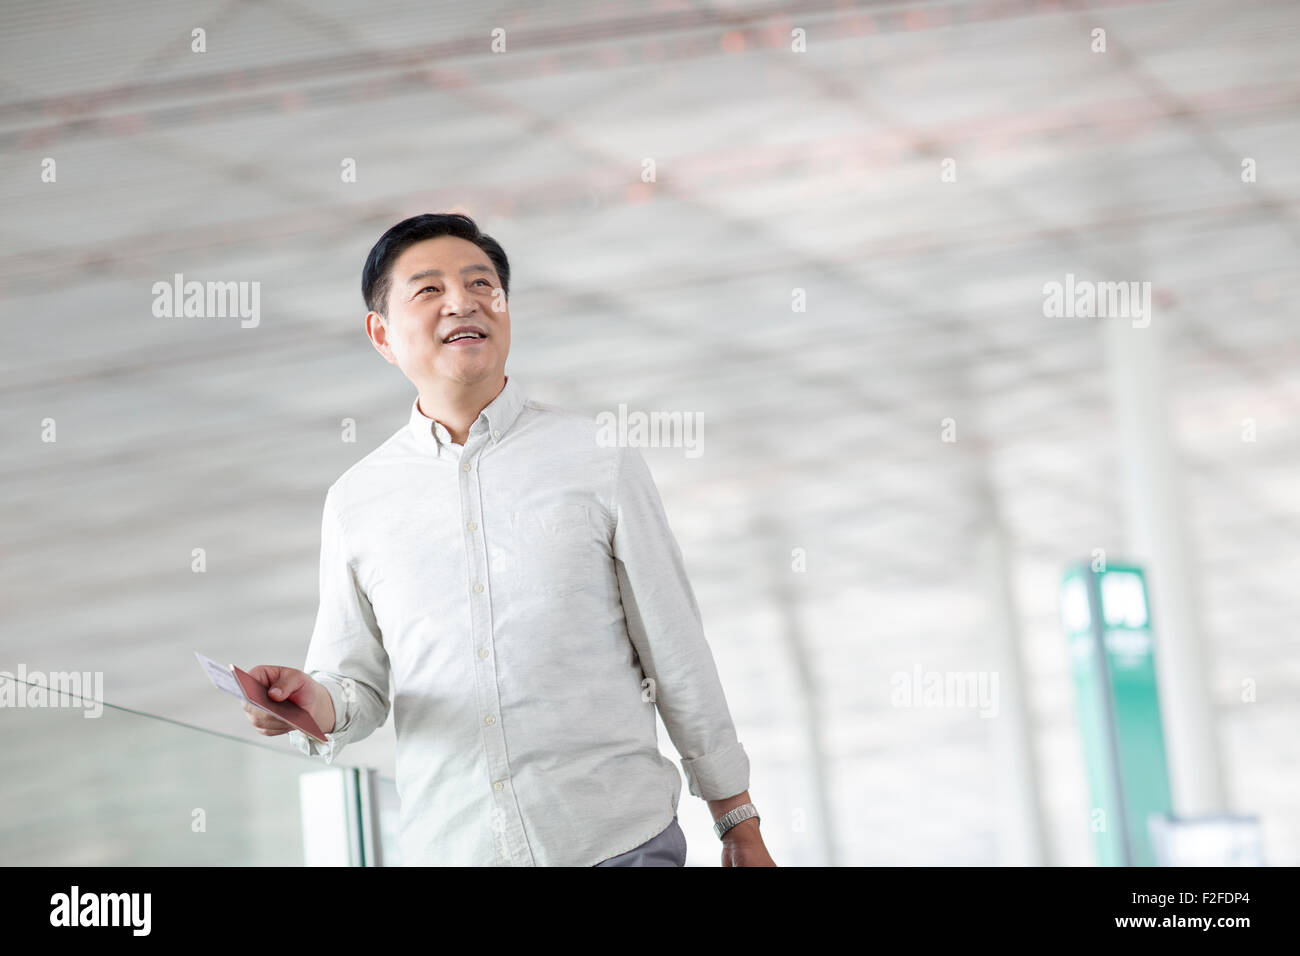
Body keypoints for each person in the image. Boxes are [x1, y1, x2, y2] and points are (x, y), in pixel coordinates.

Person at [243, 213, 774, 867]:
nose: (463, 301)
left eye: (481, 284)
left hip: (618, 844)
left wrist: (737, 820)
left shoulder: (597, 457)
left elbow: (675, 651)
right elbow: (357, 687)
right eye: (429, 289)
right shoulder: (356, 502)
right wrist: (308, 704)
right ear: (381, 334)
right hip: (455, 849)